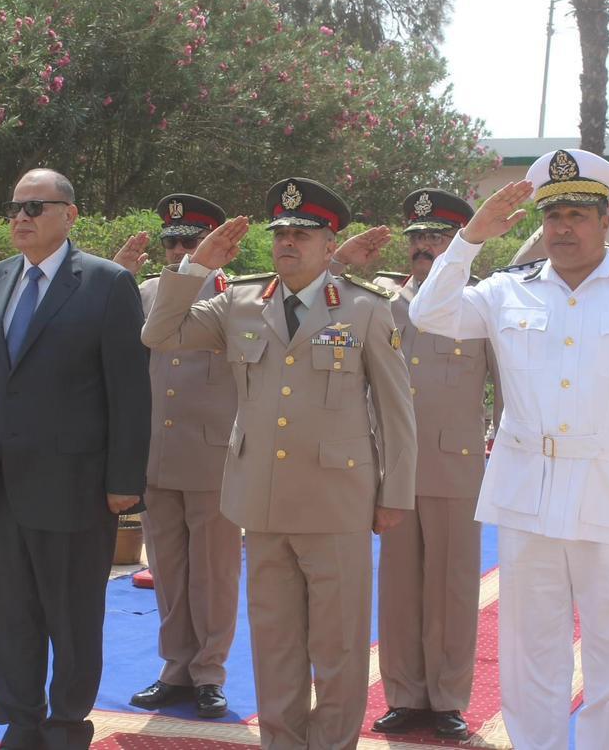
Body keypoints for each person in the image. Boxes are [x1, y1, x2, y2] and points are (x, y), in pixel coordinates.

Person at [408, 148, 609, 750]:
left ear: (605, 220)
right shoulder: (505, 291)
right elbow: (428, 312)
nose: (563, 228)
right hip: (530, 499)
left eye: (577, 215)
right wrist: (469, 239)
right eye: (553, 216)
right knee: (529, 654)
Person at [141, 177, 417, 749]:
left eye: (302, 234)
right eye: (281, 233)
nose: (287, 242)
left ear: (329, 244)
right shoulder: (240, 302)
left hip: (337, 502)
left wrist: (394, 494)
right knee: (275, 645)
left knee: (338, 647)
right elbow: (160, 332)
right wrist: (196, 266)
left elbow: (396, 411)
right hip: (261, 500)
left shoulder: (365, 308)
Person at [0, 168, 151, 750]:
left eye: (36, 207)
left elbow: (129, 391)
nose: (22, 217)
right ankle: (21, 719)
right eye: (15, 206)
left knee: (72, 613)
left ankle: (66, 722)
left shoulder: (106, 284)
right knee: (6, 612)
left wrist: (124, 480)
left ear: (70, 214)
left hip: (74, 483)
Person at [333, 190, 501, 741]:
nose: (424, 246)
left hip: (456, 467)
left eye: (437, 237)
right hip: (391, 469)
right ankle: (404, 695)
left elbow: (506, 391)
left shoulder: (478, 305)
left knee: (453, 587)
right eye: (417, 237)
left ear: (459, 244)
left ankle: (448, 698)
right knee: (399, 586)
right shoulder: (378, 302)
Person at [113, 195, 241, 719]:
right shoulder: (145, 294)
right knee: (167, 569)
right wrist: (114, 278)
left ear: (217, 247)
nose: (179, 251)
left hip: (214, 460)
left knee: (214, 572)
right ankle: (175, 669)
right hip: (157, 455)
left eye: (191, 241)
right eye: (172, 242)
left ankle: (209, 674)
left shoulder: (239, 298)